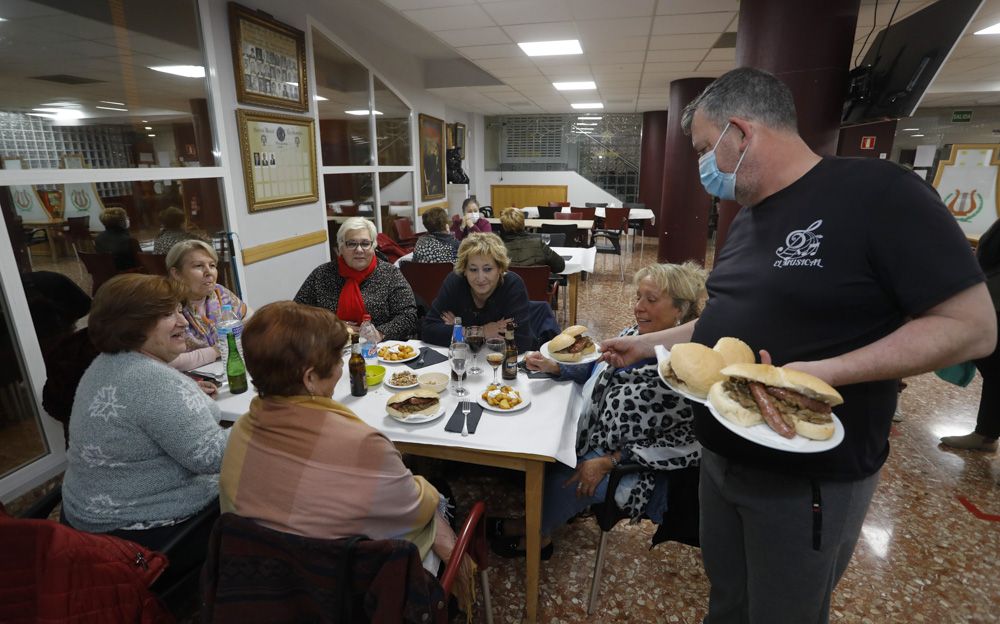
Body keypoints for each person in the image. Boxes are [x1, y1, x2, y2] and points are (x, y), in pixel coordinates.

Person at [600, 67, 994, 624]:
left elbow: (972, 325)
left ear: (742, 132)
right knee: (729, 601)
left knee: (784, 611)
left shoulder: (879, 194)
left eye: (706, 148)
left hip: (806, 476)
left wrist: (823, 372)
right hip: (721, 459)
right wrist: (646, 345)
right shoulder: (746, 221)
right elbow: (722, 324)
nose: (703, 165)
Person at [219, 301, 474, 603]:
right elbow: (413, 509)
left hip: (262, 587)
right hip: (345, 588)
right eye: (336, 361)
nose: (342, 368)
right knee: (437, 499)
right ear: (310, 378)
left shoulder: (240, 432)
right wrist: (426, 489)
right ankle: (450, 598)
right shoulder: (361, 443)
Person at [491, 262, 707, 558]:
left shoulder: (686, 370)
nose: (638, 307)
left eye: (651, 300)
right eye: (638, 297)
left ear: (681, 312)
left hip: (634, 465)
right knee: (539, 444)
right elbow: (600, 370)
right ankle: (547, 515)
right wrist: (558, 367)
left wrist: (609, 461)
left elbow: (683, 444)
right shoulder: (635, 334)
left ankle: (537, 535)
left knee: (563, 478)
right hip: (591, 434)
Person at [61, 274, 228, 580]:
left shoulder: (108, 363)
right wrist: (266, 417)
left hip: (84, 521)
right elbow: (212, 458)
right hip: (144, 536)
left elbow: (145, 407)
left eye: (179, 310)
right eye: (167, 315)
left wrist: (185, 395)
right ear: (131, 325)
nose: (183, 322)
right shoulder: (150, 381)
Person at [295, 216, 417, 340]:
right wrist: (331, 326)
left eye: (365, 244)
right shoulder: (322, 274)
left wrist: (379, 333)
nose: (359, 250)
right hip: (331, 348)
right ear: (341, 247)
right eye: (351, 244)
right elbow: (296, 314)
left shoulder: (390, 274)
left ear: (373, 246)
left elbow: (408, 316)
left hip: (379, 350)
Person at [941, 217, 1000, 452]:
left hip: (994, 301)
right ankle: (986, 434)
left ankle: (986, 434)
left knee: (995, 368)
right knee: (995, 370)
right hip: (991, 299)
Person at [421, 232, 532, 351]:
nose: (480, 278)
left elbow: (521, 341)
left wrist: (459, 330)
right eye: (473, 269)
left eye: (488, 269)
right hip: (462, 361)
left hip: (499, 364)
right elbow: (428, 330)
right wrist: (481, 332)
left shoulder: (512, 285)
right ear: (464, 270)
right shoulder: (455, 281)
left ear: (500, 268)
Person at [166, 239, 251, 371]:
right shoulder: (167, 305)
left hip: (225, 369)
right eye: (198, 266)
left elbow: (251, 321)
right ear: (177, 274)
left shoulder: (219, 293)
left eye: (212, 265)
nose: (209, 272)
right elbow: (168, 362)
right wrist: (216, 351)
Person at [498, 207, 565, 274]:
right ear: (523, 222)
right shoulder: (538, 244)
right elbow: (560, 266)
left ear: (504, 226)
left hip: (511, 284)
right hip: (537, 283)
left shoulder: (498, 249)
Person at [94, 206, 140, 270]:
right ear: (121, 222)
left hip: (108, 275)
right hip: (130, 275)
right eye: (126, 217)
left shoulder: (98, 238)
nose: (128, 219)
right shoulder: (130, 241)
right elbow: (141, 261)